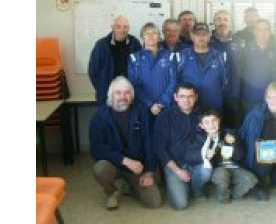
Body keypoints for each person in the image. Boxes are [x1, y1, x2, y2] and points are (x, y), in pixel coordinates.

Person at [89, 76, 161, 210]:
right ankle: (112, 191)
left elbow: (150, 143)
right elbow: (96, 149)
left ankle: (124, 186)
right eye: (118, 93)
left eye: (127, 93)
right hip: (114, 164)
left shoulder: (141, 112)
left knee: (154, 202)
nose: (123, 96)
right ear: (111, 95)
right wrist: (124, 160)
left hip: (137, 167)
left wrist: (149, 172)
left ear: (132, 96)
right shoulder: (100, 116)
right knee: (100, 169)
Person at [185, 109, 257, 202]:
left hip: (234, 167)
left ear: (219, 120)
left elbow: (240, 156)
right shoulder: (199, 138)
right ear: (201, 126)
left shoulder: (229, 133)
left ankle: (232, 194)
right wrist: (205, 153)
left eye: (214, 120)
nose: (211, 124)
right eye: (206, 122)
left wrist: (234, 143)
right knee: (222, 175)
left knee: (251, 179)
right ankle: (222, 196)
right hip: (218, 168)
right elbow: (189, 156)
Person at [153, 82, 200, 210]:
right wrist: (177, 171)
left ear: (196, 97)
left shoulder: (201, 115)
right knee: (180, 204)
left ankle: (194, 188)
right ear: (175, 97)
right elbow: (159, 149)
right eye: (182, 96)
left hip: (195, 162)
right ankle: (177, 183)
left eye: (190, 96)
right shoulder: (165, 117)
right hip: (174, 164)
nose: (186, 100)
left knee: (206, 172)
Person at [127, 22, 176, 125]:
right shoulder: (135, 58)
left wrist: (161, 102)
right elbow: (133, 85)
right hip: (142, 107)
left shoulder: (169, 56)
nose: (151, 36)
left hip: (165, 107)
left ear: (159, 37)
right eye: (147, 33)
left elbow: (173, 82)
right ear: (142, 37)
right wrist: (150, 104)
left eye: (154, 33)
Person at [88, 15, 142, 105]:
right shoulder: (101, 45)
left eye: (125, 27)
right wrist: (102, 88)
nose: (122, 30)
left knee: (129, 118)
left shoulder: (134, 43)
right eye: (118, 27)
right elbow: (93, 71)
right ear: (112, 27)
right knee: (107, 118)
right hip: (107, 95)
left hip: (130, 94)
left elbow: (141, 68)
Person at [177, 22, 229, 112]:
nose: (201, 37)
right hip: (190, 105)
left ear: (209, 36)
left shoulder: (219, 56)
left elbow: (225, 82)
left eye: (204, 34)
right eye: (198, 34)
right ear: (192, 36)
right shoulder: (182, 56)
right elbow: (176, 81)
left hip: (214, 104)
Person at [210, 9, 244, 128]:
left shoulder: (240, 42)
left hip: (234, 94)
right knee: (213, 126)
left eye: (225, 19)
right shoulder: (207, 42)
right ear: (213, 22)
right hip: (213, 94)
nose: (222, 22)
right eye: (218, 19)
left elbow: (244, 67)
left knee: (232, 128)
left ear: (230, 22)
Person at [240, 19, 276, 113]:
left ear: (270, 32)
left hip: (271, 97)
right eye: (260, 30)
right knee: (250, 124)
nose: (263, 33)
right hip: (250, 96)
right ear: (254, 32)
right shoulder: (245, 49)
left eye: (267, 30)